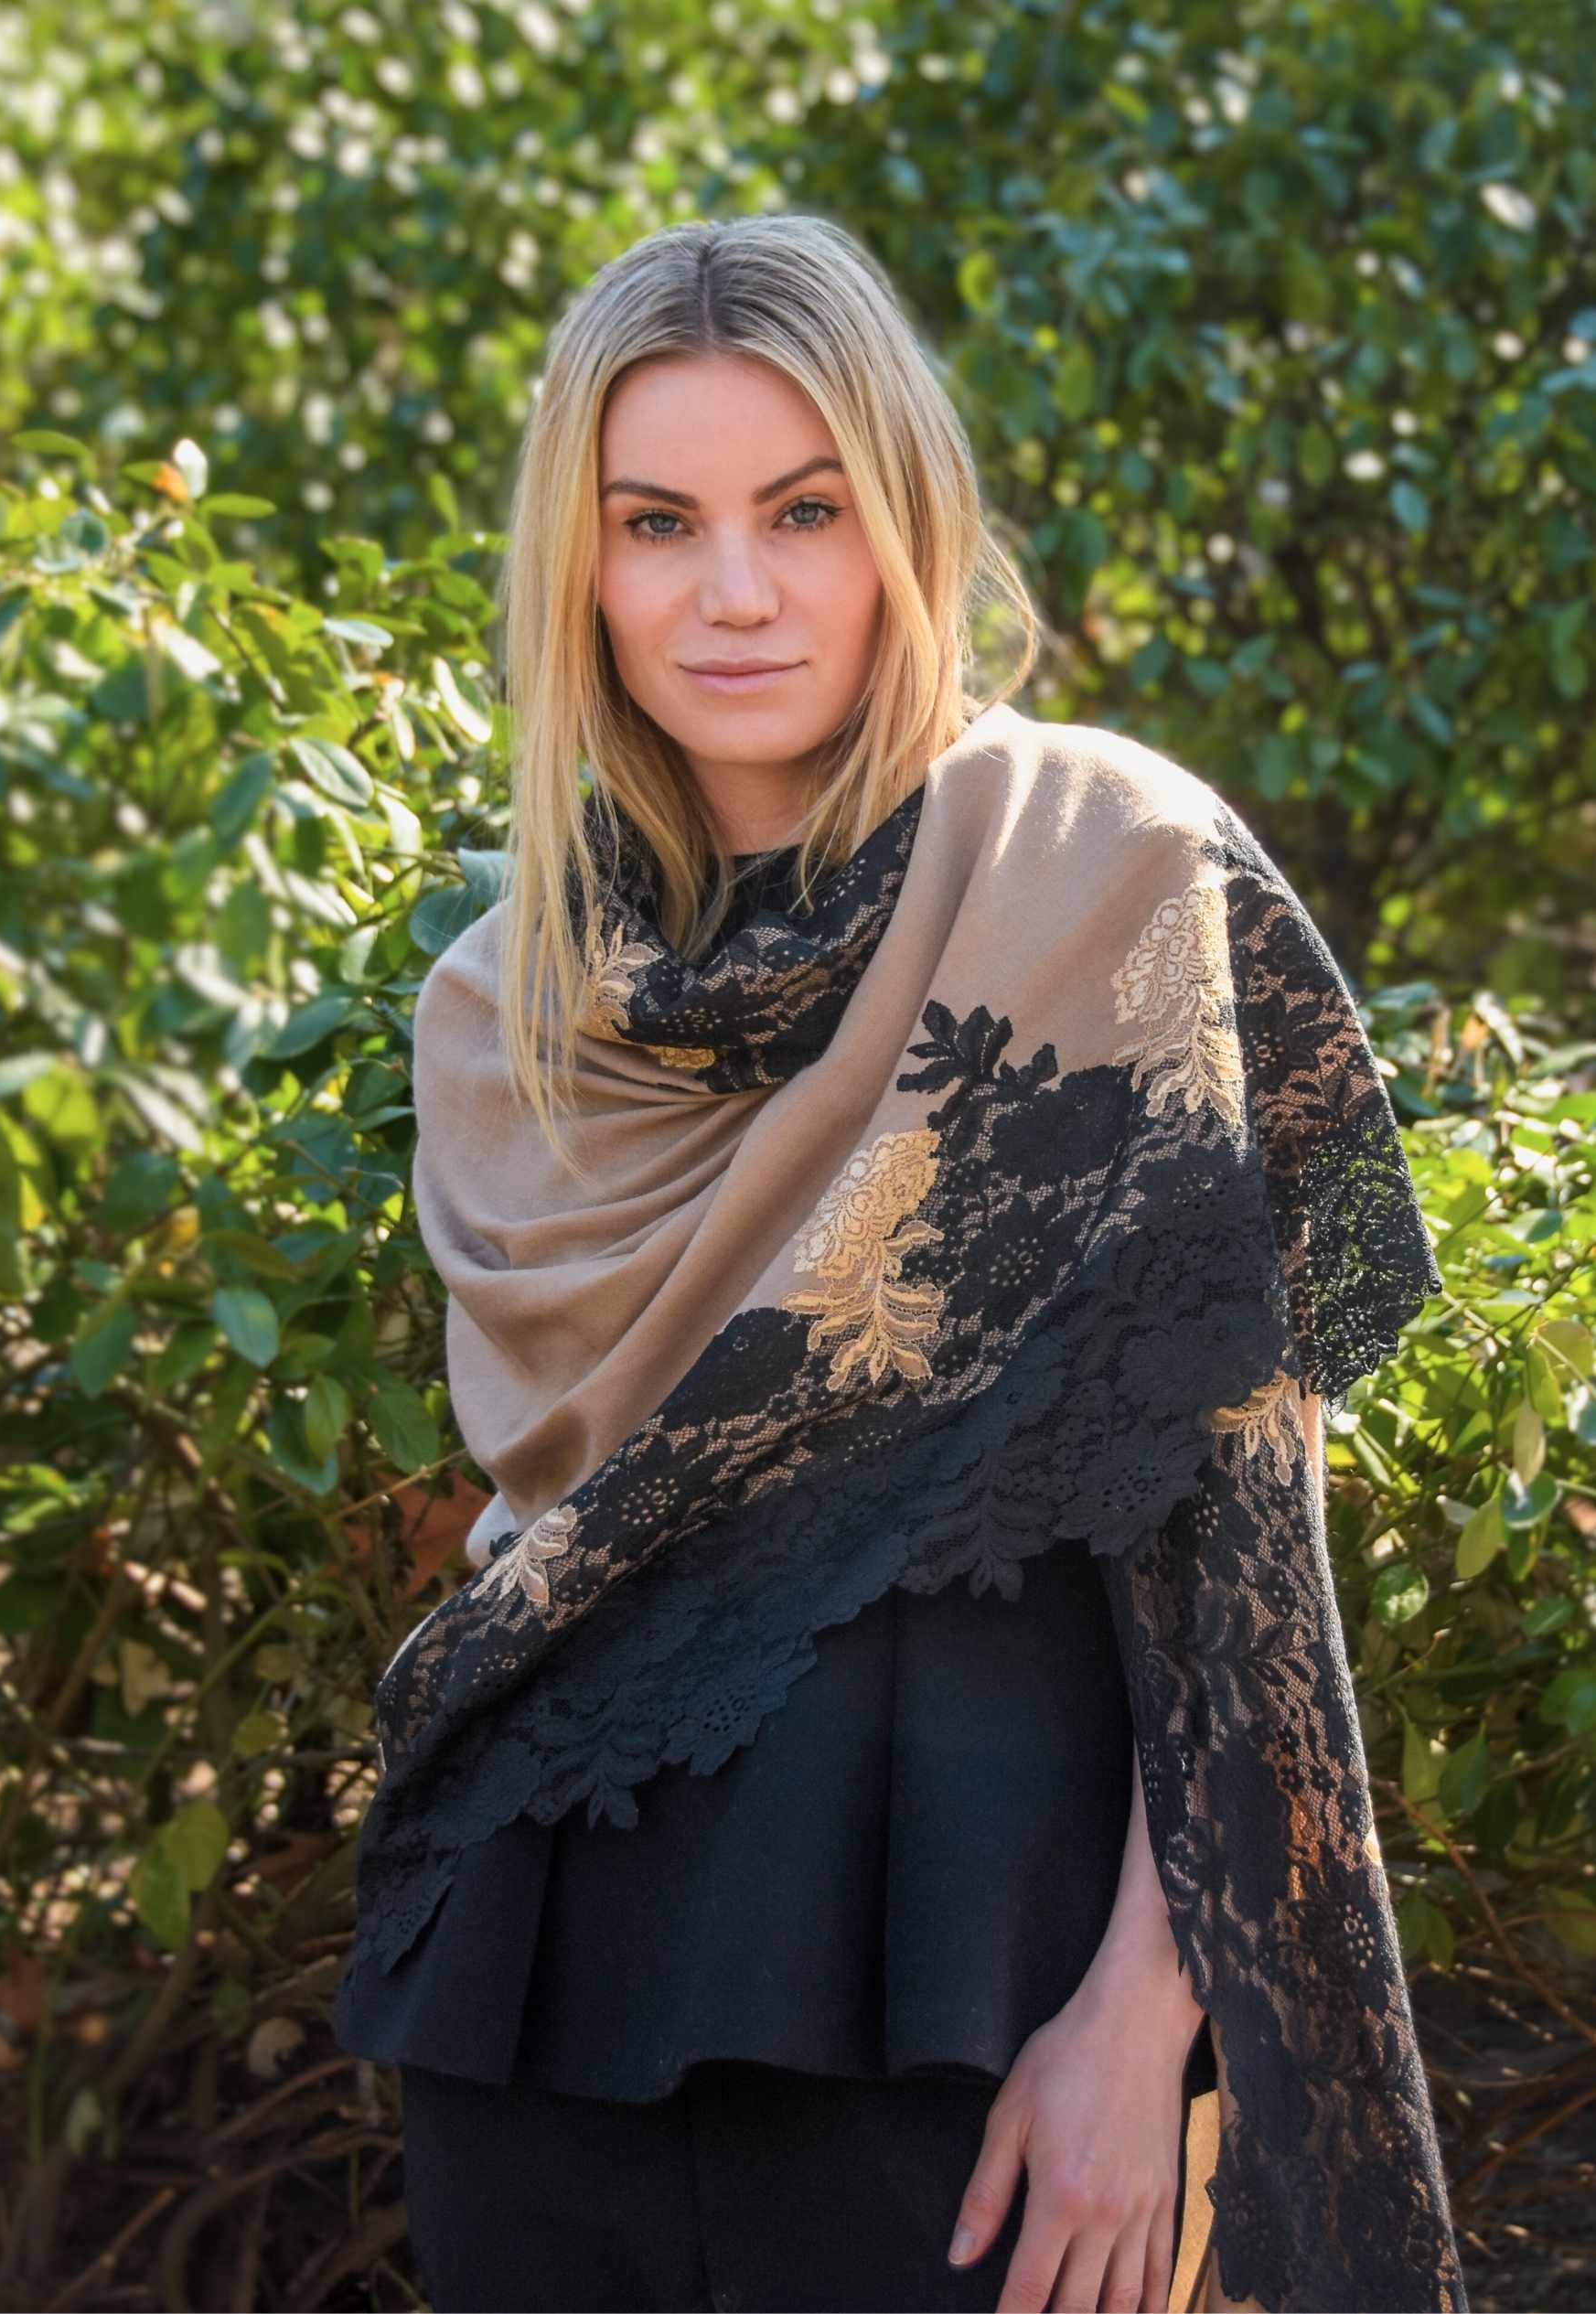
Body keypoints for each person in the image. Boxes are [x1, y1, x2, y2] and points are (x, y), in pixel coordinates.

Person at [331, 215, 1467, 2314]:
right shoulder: (504, 1005)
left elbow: (1239, 1518)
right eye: (655, 520)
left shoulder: (1091, 871)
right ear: (575, 564)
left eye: (804, 509)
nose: (733, 589)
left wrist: (1148, 2020)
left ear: (904, 523)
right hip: (540, 1970)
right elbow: (546, 1533)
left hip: (974, 1969)